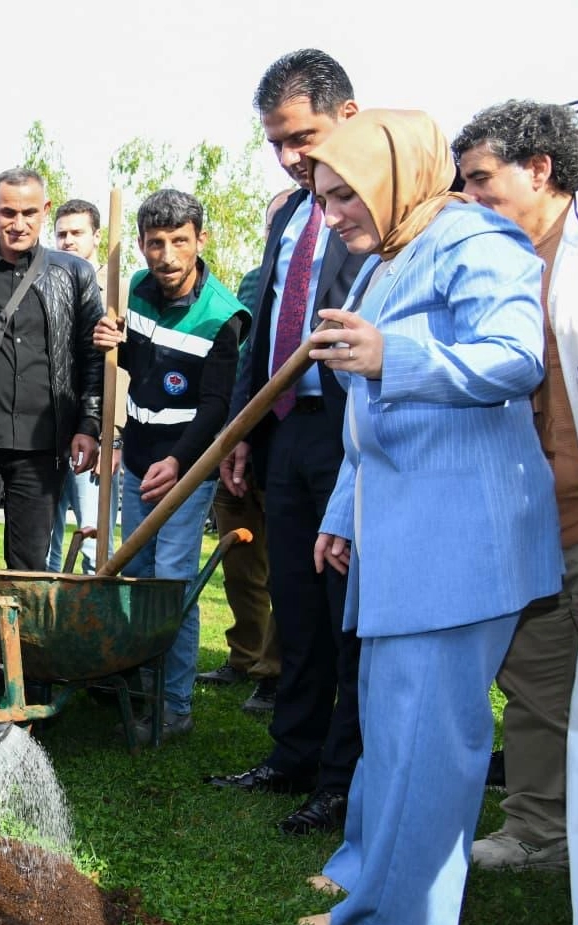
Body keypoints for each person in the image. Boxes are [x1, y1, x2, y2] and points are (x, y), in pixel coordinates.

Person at [298, 107, 560, 925]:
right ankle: (370, 876)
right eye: (321, 197)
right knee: (390, 727)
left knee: (427, 744)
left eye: (344, 194)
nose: (330, 215)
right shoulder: (390, 258)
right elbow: (365, 412)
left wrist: (393, 355)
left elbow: (514, 357)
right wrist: (343, 510)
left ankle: (399, 912)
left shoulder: (476, 239)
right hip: (400, 534)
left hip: (458, 541)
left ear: (395, 177)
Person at [207, 49, 367, 839]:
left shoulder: (377, 211)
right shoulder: (288, 214)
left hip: (351, 431)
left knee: (346, 613)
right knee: (297, 607)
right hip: (287, 432)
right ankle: (292, 754)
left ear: (347, 116)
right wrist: (245, 427)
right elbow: (265, 327)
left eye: (300, 136)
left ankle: (342, 779)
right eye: (275, 142)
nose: (288, 157)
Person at [452, 100, 578, 874]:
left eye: (479, 179)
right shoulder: (496, 264)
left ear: (538, 169)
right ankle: (537, 830)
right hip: (536, 518)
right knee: (534, 678)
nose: (468, 197)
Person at [92, 189, 248, 743]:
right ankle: (136, 685)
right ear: (140, 244)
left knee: (173, 582)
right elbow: (143, 367)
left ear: (200, 240)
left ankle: (175, 706)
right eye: (155, 243)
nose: (167, 256)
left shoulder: (224, 316)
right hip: (137, 458)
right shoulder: (134, 288)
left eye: (179, 241)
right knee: (135, 577)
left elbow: (216, 406)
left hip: (185, 469)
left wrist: (179, 462)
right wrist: (114, 342)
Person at [0, 168, 103, 570]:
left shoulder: (74, 274)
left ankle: (23, 619)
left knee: (30, 565)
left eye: (29, 213)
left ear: (45, 210)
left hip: (42, 447)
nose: (18, 224)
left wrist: (89, 425)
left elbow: (92, 357)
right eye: (8, 212)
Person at [198, 186, 295, 714]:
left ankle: (274, 672)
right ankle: (244, 655)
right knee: (238, 559)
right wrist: (231, 434)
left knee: (285, 564)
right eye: (275, 222)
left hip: (286, 439)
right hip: (238, 438)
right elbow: (243, 359)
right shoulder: (254, 282)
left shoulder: (321, 280)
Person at [46, 197, 121, 575]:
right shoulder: (46, 282)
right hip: (49, 429)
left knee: (94, 538)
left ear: (96, 236)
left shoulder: (117, 292)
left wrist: (114, 436)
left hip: (97, 433)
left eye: (77, 233)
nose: (68, 241)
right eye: (61, 234)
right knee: (44, 539)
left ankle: (96, 609)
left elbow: (121, 371)